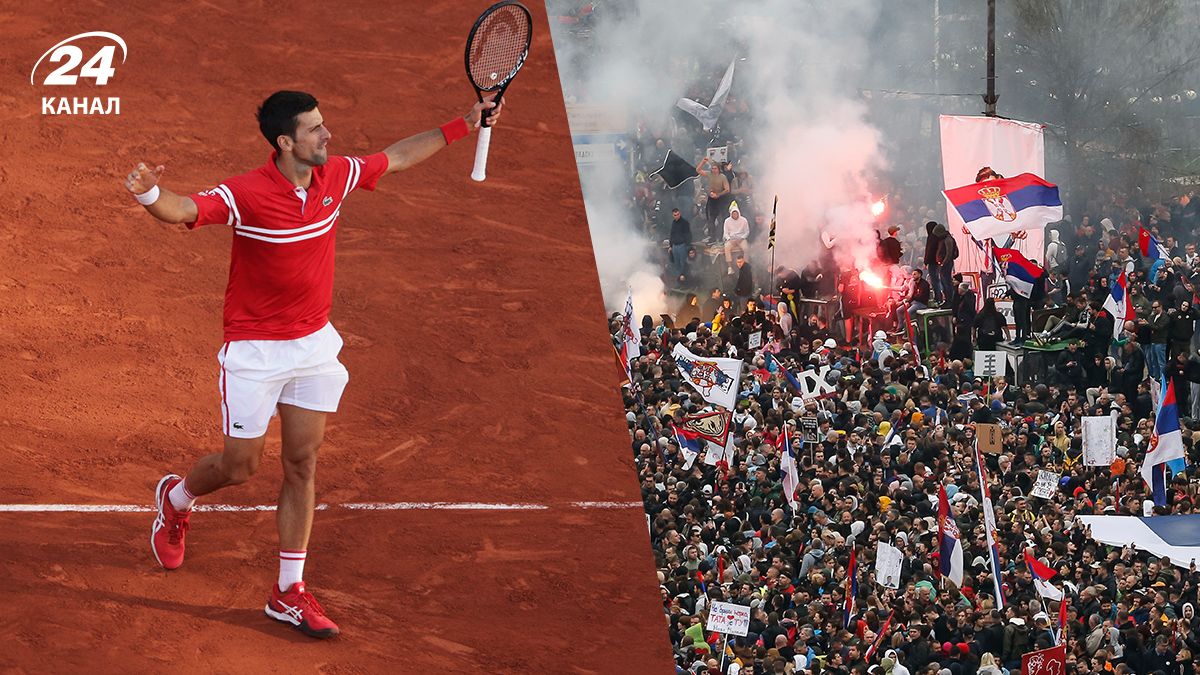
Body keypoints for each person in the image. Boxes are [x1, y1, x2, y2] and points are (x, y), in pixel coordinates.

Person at [124, 90, 499, 638]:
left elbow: (395, 156)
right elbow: (184, 209)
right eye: (315, 130)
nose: (328, 136)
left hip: (313, 346)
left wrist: (462, 125)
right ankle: (176, 499)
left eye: (325, 126)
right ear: (285, 142)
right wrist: (149, 192)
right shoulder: (247, 193)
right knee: (240, 467)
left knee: (302, 464)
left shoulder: (335, 178)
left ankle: (288, 592)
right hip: (254, 351)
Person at [723, 202, 751, 274]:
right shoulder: (727, 221)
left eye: (736, 213)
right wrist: (729, 239)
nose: (735, 215)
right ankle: (730, 267)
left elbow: (747, 232)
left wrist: (741, 238)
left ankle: (746, 266)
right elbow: (725, 233)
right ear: (731, 214)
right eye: (733, 214)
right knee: (726, 247)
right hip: (731, 239)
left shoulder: (744, 220)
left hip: (741, 239)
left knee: (746, 248)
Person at [669, 208, 694, 282]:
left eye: (677, 214)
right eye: (675, 215)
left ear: (680, 213)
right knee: (677, 265)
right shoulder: (673, 223)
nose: (676, 216)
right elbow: (672, 234)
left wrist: (687, 245)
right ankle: (679, 282)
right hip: (675, 246)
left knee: (684, 265)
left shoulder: (685, 223)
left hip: (682, 245)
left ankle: (686, 282)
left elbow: (688, 234)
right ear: (673, 215)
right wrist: (671, 245)